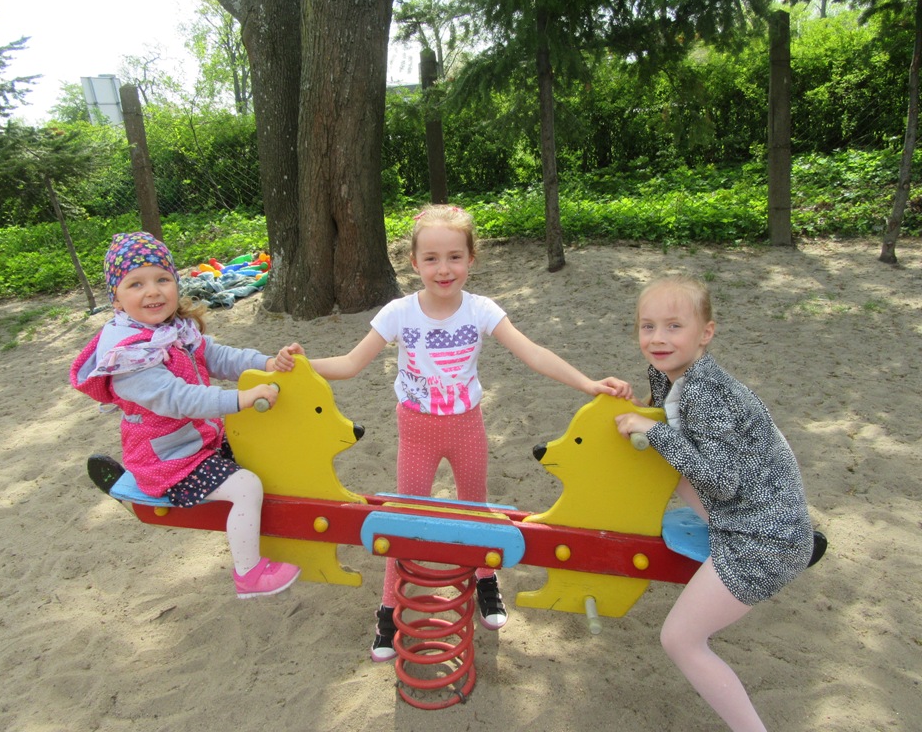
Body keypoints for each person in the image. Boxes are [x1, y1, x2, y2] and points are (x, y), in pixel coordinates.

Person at [304, 205, 633, 662]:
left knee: (475, 509)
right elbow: (349, 364)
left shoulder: (480, 310)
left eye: (455, 257)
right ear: (414, 263)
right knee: (404, 517)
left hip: (466, 426)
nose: (444, 269)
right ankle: (390, 606)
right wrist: (298, 365)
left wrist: (589, 383)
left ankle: (485, 579)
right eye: (432, 258)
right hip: (416, 429)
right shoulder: (399, 313)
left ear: (471, 259)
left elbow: (533, 353)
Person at [614, 274, 820, 732]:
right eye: (648, 326)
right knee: (662, 459)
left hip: (763, 538)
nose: (658, 338)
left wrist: (654, 431)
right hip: (755, 512)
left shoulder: (705, 392)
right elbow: (667, 423)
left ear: (705, 333)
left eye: (674, 326)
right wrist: (635, 409)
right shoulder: (671, 374)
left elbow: (722, 481)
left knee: (680, 638)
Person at [70, 231, 301, 599]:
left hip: (201, 440)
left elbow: (218, 357)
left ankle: (276, 533)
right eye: (136, 284)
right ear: (116, 298)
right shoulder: (129, 357)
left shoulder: (172, 331)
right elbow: (179, 399)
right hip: (169, 460)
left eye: (162, 279)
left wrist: (267, 363)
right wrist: (240, 399)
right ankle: (250, 574)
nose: (153, 291)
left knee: (264, 451)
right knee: (246, 486)